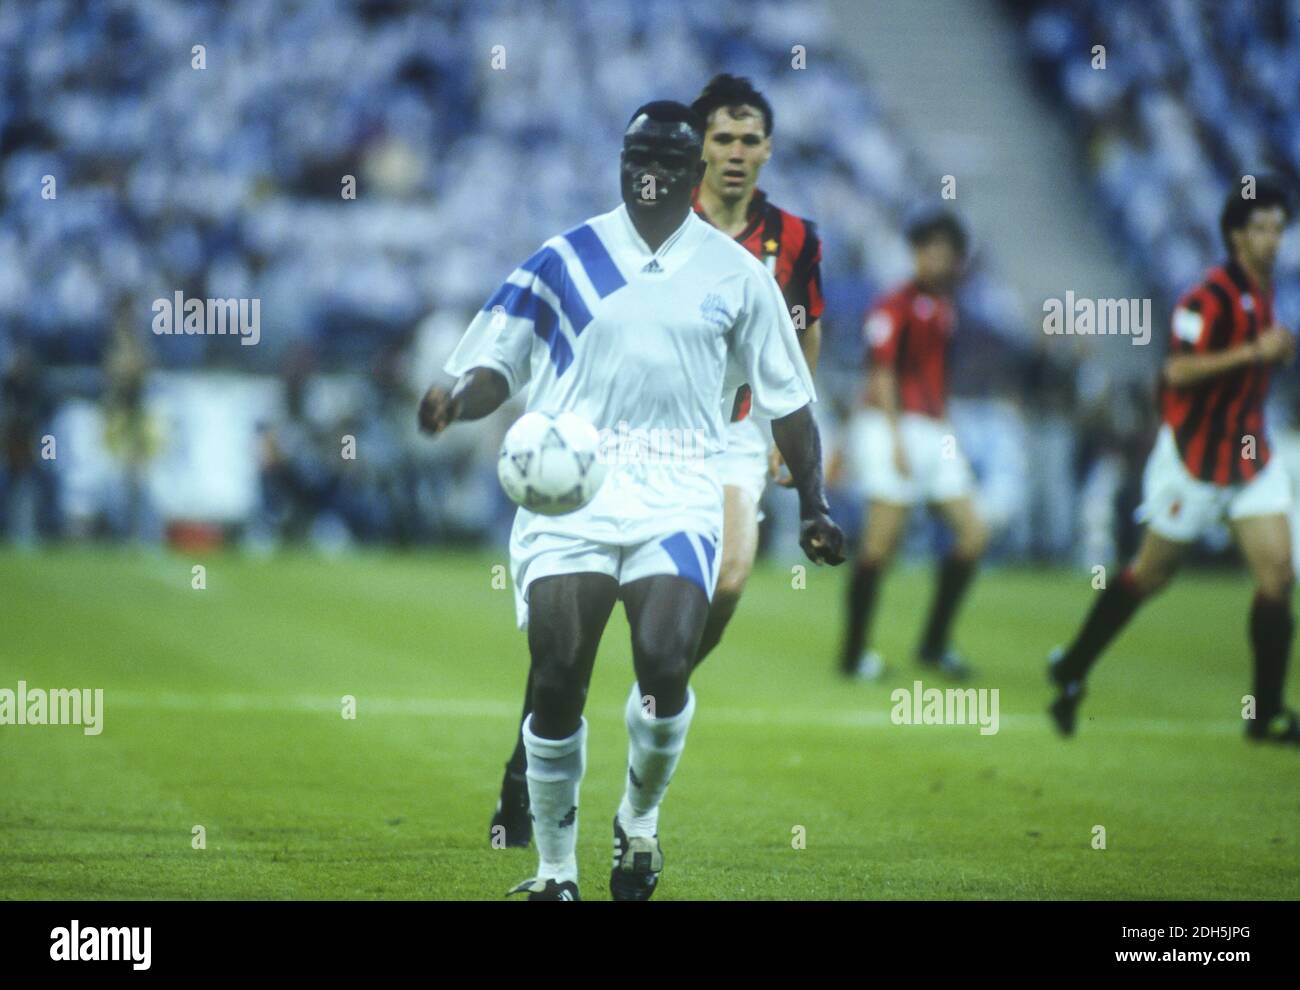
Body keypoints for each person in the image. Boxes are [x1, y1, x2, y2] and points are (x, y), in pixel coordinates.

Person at [419, 101, 844, 900]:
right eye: (636, 152)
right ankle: (553, 873)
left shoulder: (736, 274)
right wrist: (453, 402)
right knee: (555, 677)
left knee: (664, 665)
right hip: (570, 494)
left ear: (693, 173)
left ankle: (638, 827)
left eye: (666, 155)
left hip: (680, 486)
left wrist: (814, 504)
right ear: (621, 162)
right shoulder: (565, 256)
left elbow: (789, 401)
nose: (648, 166)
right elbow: (495, 367)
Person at [1048, 181, 1299, 746]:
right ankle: (1073, 666)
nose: (1273, 239)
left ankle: (1264, 714)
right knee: (1150, 575)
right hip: (1193, 459)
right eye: (1262, 228)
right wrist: (1254, 353)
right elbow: (1177, 372)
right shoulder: (1205, 297)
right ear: (1236, 235)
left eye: (1279, 227)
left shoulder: (1265, 291)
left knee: (1278, 576)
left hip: (1250, 454)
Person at [838, 209, 986, 681]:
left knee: (973, 534)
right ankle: (853, 652)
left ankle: (934, 643)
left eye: (948, 253)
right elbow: (880, 372)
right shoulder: (892, 305)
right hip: (889, 425)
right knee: (880, 545)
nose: (939, 261)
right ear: (917, 253)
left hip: (933, 427)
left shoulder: (945, 307)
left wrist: (946, 430)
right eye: (932, 250)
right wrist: (897, 437)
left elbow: (935, 375)